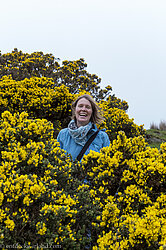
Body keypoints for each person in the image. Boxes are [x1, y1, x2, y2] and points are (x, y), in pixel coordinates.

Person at [57, 94, 110, 161]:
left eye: (87, 107)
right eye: (80, 106)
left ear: (92, 112)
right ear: (75, 110)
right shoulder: (63, 134)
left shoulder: (102, 137)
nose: (83, 109)